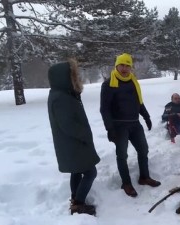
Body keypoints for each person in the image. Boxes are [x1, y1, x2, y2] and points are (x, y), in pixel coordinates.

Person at [100, 53, 161, 197]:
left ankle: (144, 177)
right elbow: (104, 109)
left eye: (128, 66)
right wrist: (110, 129)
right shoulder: (108, 84)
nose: (125, 68)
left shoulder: (133, 82)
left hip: (135, 124)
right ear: (116, 66)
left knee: (143, 150)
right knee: (122, 155)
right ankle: (126, 183)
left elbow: (138, 102)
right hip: (119, 126)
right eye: (122, 65)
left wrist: (146, 116)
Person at [47, 59, 100, 216]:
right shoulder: (60, 98)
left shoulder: (63, 93)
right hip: (74, 144)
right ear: (64, 77)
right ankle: (78, 203)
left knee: (76, 171)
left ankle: (75, 199)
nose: (76, 78)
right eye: (73, 75)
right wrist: (84, 134)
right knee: (91, 173)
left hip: (72, 144)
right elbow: (67, 124)